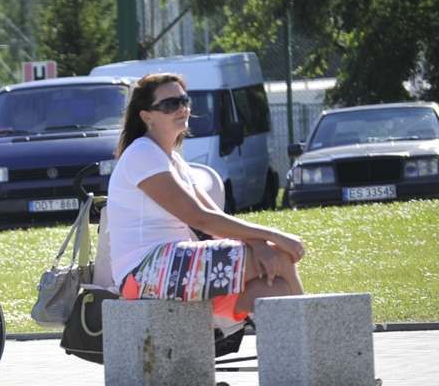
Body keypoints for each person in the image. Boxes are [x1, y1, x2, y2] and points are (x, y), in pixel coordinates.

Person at [107, 73, 305, 320]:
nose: (182, 109)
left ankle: (292, 343)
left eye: (184, 101)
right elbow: (200, 218)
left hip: (174, 265)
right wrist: (273, 236)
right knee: (281, 257)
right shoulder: (142, 153)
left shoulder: (173, 160)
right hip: (143, 272)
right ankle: (315, 339)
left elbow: (214, 217)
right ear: (147, 116)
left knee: (276, 287)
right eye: (170, 104)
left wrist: (258, 244)